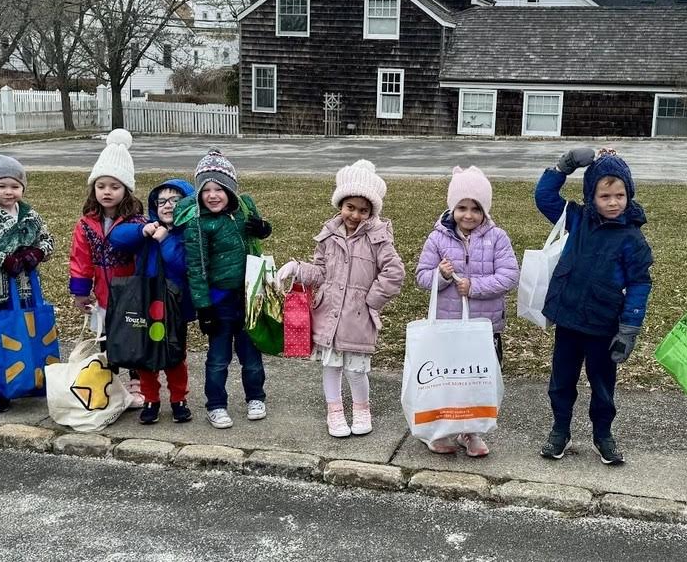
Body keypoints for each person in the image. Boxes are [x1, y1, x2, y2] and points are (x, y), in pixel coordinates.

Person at [535, 147, 652, 465]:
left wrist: (629, 328)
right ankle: (560, 429)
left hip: (605, 326)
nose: (613, 202)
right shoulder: (577, 218)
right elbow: (544, 197)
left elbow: (640, 283)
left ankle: (603, 434)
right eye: (605, 196)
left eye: (620, 195)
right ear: (591, 196)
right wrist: (565, 165)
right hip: (570, 321)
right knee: (561, 381)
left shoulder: (632, 239)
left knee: (602, 385)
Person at [277, 160, 405, 438]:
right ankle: (334, 411)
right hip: (329, 314)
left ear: (371, 212)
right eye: (350, 207)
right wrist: (298, 268)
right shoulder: (329, 236)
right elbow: (321, 271)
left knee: (357, 370)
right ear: (340, 205)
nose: (355, 215)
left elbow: (394, 272)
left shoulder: (378, 239)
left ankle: (361, 409)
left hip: (358, 318)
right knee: (331, 366)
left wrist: (372, 300)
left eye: (363, 210)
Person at [414, 165, 518, 457]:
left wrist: (474, 287)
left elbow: (509, 276)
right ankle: (441, 430)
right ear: (452, 207)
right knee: (447, 380)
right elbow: (422, 278)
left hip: (485, 327)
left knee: (478, 380)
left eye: (476, 208)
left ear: (485, 210)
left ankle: (471, 432)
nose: (468, 215)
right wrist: (443, 276)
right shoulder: (437, 238)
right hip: (447, 328)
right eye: (462, 207)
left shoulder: (498, 237)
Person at [176, 148, 273, 429]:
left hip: (248, 297)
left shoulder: (243, 210)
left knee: (251, 355)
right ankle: (216, 404)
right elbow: (196, 268)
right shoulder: (198, 223)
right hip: (219, 302)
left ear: (230, 189)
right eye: (206, 189)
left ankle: (256, 396)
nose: (213, 195)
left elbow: (259, 235)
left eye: (219, 188)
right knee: (218, 358)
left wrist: (263, 228)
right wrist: (203, 307)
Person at [0, 154, 56, 413]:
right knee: (2, 337)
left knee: (31, 332)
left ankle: (34, 379)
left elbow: (48, 240)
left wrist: (37, 253)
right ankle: (1, 389)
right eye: (2, 186)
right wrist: (4, 259)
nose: (9, 192)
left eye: (15, 186)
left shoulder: (30, 216)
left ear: (23, 188)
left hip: (27, 287)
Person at [68, 130, 147, 407]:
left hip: (130, 291)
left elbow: (143, 255)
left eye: (114, 186)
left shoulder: (137, 221)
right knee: (106, 338)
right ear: (94, 189)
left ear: (125, 190)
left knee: (133, 336)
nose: (107, 192)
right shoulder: (86, 224)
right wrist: (80, 290)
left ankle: (139, 383)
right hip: (102, 292)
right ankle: (110, 383)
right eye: (101, 186)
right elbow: (80, 258)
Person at [109, 178, 197, 424]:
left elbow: (183, 265)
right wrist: (143, 230)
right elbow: (116, 237)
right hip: (145, 304)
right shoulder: (147, 229)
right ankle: (151, 399)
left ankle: (179, 398)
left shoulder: (187, 234)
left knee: (175, 353)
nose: (168, 206)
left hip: (174, 307)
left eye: (175, 201)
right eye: (162, 201)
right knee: (145, 355)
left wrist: (165, 239)